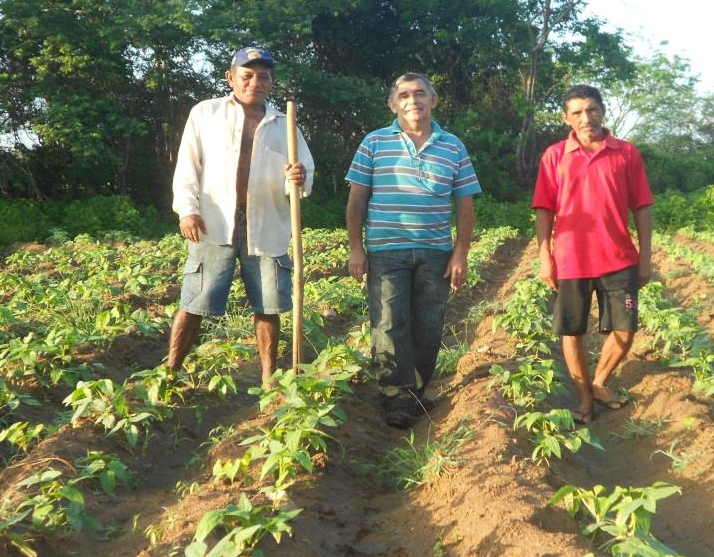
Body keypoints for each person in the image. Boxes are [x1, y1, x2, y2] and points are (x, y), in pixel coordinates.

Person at [169, 46, 314, 384]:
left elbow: (305, 172)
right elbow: (188, 165)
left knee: (269, 304)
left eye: (263, 77)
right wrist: (187, 210)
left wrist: (299, 178)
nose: (255, 82)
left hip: (265, 225)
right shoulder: (206, 114)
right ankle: (170, 371)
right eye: (247, 75)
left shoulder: (284, 124)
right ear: (230, 78)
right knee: (196, 299)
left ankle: (268, 377)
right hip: (214, 221)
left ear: (271, 82)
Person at [345, 72, 481, 428]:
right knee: (388, 322)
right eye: (403, 95)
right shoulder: (374, 143)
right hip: (386, 250)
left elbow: (464, 204)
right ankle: (394, 396)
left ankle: (418, 392)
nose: (412, 101)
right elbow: (357, 197)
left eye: (420, 94)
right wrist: (356, 247)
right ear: (393, 104)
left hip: (435, 251)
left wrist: (460, 252)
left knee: (428, 324)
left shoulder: (453, 146)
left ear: (433, 101)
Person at [533, 84, 653, 424]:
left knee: (625, 330)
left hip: (619, 258)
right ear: (566, 118)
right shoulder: (555, 156)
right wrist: (545, 257)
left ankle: (600, 380)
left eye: (592, 109)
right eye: (578, 112)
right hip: (571, 260)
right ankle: (584, 399)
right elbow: (544, 211)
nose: (587, 118)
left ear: (602, 109)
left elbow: (642, 207)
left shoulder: (626, 153)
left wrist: (645, 257)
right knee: (572, 331)